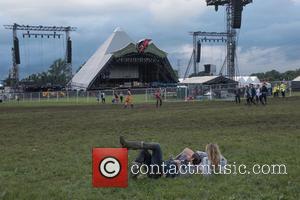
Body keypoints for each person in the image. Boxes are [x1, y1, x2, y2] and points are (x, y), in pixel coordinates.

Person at [120, 136, 202, 178]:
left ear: (192, 159)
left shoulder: (191, 169)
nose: (186, 154)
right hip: (156, 168)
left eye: (189, 155)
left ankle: (128, 145)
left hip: (159, 172)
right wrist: (174, 159)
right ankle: (133, 176)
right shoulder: (185, 160)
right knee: (143, 151)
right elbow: (186, 149)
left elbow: (182, 176)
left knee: (157, 146)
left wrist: (178, 165)